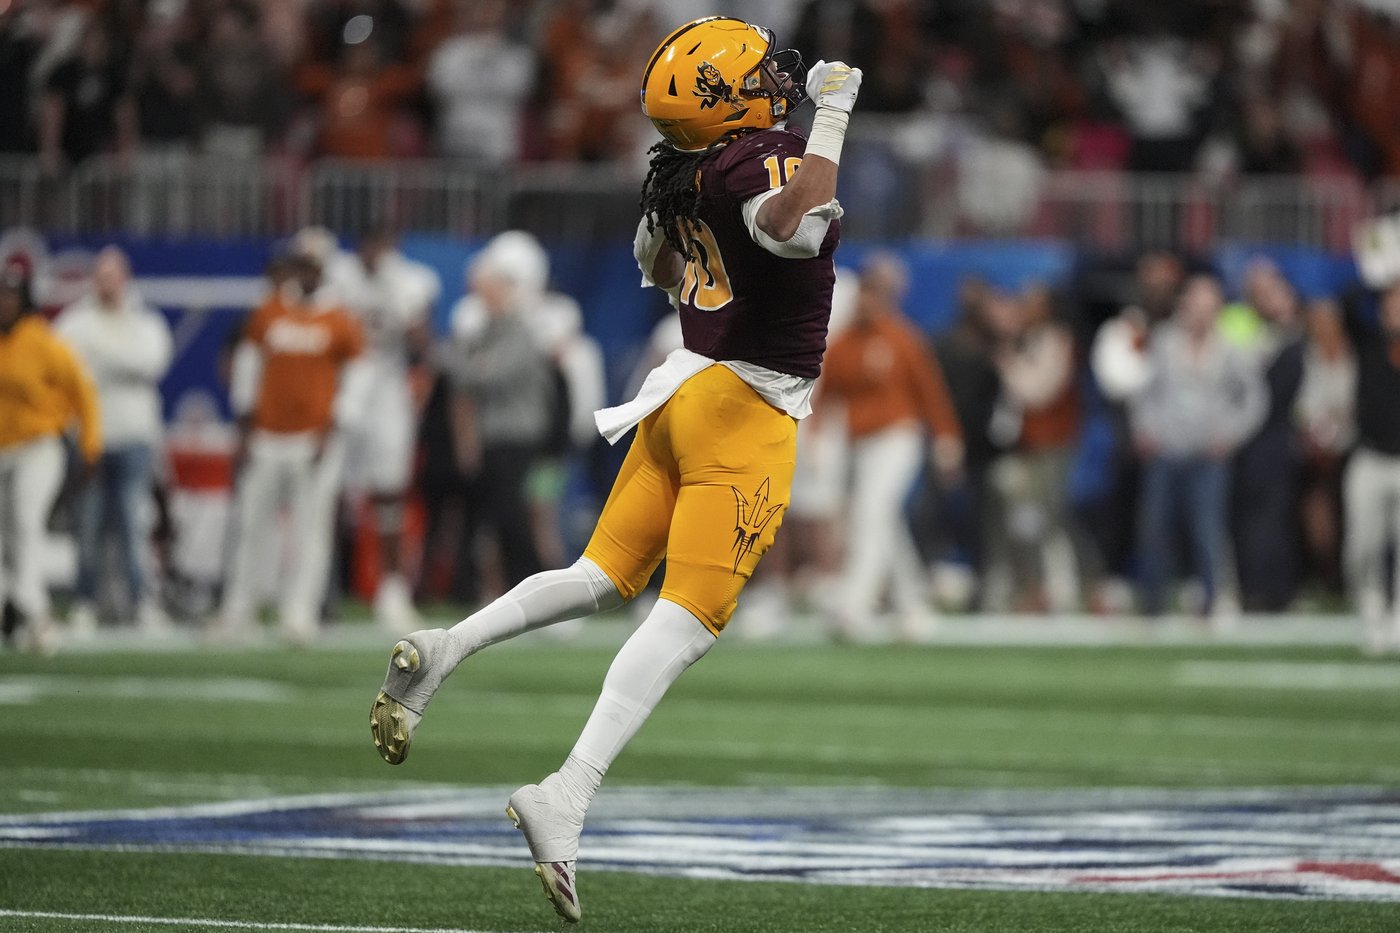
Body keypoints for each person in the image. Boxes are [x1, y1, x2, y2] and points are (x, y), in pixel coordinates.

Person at [370, 16, 859, 922]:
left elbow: (659, 264)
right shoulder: (761, 160)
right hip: (746, 408)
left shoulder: (680, 171)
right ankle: (569, 789)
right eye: (757, 74)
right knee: (689, 616)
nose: (778, 81)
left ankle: (446, 648)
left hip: (682, 391)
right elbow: (792, 229)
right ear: (724, 101)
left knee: (602, 574)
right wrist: (830, 120)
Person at [216, 253, 367, 643]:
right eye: (300, 267)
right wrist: (245, 423)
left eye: (312, 268)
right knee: (251, 525)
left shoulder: (339, 317)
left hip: (314, 437)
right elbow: (248, 367)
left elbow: (357, 376)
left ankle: (298, 612)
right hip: (267, 434)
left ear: (322, 272)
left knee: (309, 531)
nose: (305, 274)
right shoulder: (269, 311)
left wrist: (334, 427)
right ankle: (239, 609)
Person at [816, 252, 962, 640]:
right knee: (884, 520)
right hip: (859, 445)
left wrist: (946, 436)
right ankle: (913, 605)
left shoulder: (902, 338)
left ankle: (855, 603)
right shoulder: (843, 343)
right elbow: (826, 394)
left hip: (899, 438)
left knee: (871, 511)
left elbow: (930, 391)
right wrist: (815, 438)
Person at [1129, 274, 1266, 617]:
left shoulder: (1230, 348)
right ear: (1185, 305)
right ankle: (1152, 603)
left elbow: (1254, 398)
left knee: (1207, 529)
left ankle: (1210, 600)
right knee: (1155, 528)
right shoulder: (1164, 341)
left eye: (1210, 308)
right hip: (1165, 450)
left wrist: (1231, 434)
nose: (1203, 315)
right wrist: (1145, 429)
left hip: (1208, 454)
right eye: (1197, 306)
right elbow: (1143, 389)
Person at [54, 246, 173, 635]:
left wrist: (98, 360)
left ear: (126, 278)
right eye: (102, 277)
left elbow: (150, 363)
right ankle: (84, 603)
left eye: (113, 277)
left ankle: (142, 603)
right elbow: (63, 371)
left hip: (134, 436)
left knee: (134, 526)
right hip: (88, 438)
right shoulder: (76, 321)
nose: (107, 284)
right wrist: (116, 363)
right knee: (86, 527)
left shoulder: (145, 321)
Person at [333, 229, 441, 634]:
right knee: (329, 492)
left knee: (390, 492)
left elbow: (422, 342)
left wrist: (404, 307)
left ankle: (392, 591)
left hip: (388, 392)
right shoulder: (338, 276)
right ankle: (324, 591)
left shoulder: (409, 281)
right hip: (343, 387)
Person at [0, 261, 101, 651]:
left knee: (26, 522)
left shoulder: (43, 341)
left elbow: (83, 392)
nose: (4, 303)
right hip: (3, 449)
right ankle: (14, 609)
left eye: (11, 296)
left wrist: (90, 444)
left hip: (38, 446)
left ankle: (35, 613)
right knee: (7, 534)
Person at [1339, 280, 1400, 654]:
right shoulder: (1369, 341)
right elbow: (1347, 302)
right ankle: (1371, 604)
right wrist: (1378, 279)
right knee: (1363, 544)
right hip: (1370, 457)